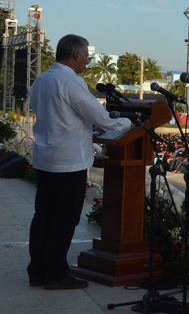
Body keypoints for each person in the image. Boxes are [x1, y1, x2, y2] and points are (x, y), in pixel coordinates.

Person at [28, 34, 132, 290]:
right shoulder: (71, 81)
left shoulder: (42, 79)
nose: (87, 60)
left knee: (44, 217)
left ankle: (38, 271)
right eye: (86, 56)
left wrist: (84, 128)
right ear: (75, 55)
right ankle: (56, 274)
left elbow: (54, 115)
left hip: (46, 158)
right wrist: (129, 123)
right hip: (68, 161)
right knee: (64, 220)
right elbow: (101, 117)